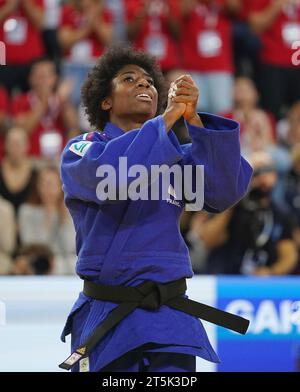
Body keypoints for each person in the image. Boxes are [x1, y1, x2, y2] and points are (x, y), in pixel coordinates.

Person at [59, 46, 252, 372]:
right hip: (110, 315)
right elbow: (116, 176)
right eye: (129, 79)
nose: (144, 85)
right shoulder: (83, 150)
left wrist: (196, 123)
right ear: (105, 101)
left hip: (169, 320)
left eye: (149, 82)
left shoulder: (173, 156)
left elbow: (223, 192)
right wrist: (165, 121)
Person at [200, 152, 298, 275]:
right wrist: (232, 204)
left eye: (266, 171)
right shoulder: (227, 207)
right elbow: (208, 241)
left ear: (275, 176)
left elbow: (289, 255)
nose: (261, 178)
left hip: (260, 286)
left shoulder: (280, 213)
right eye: (256, 172)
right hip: (227, 281)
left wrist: (271, 272)